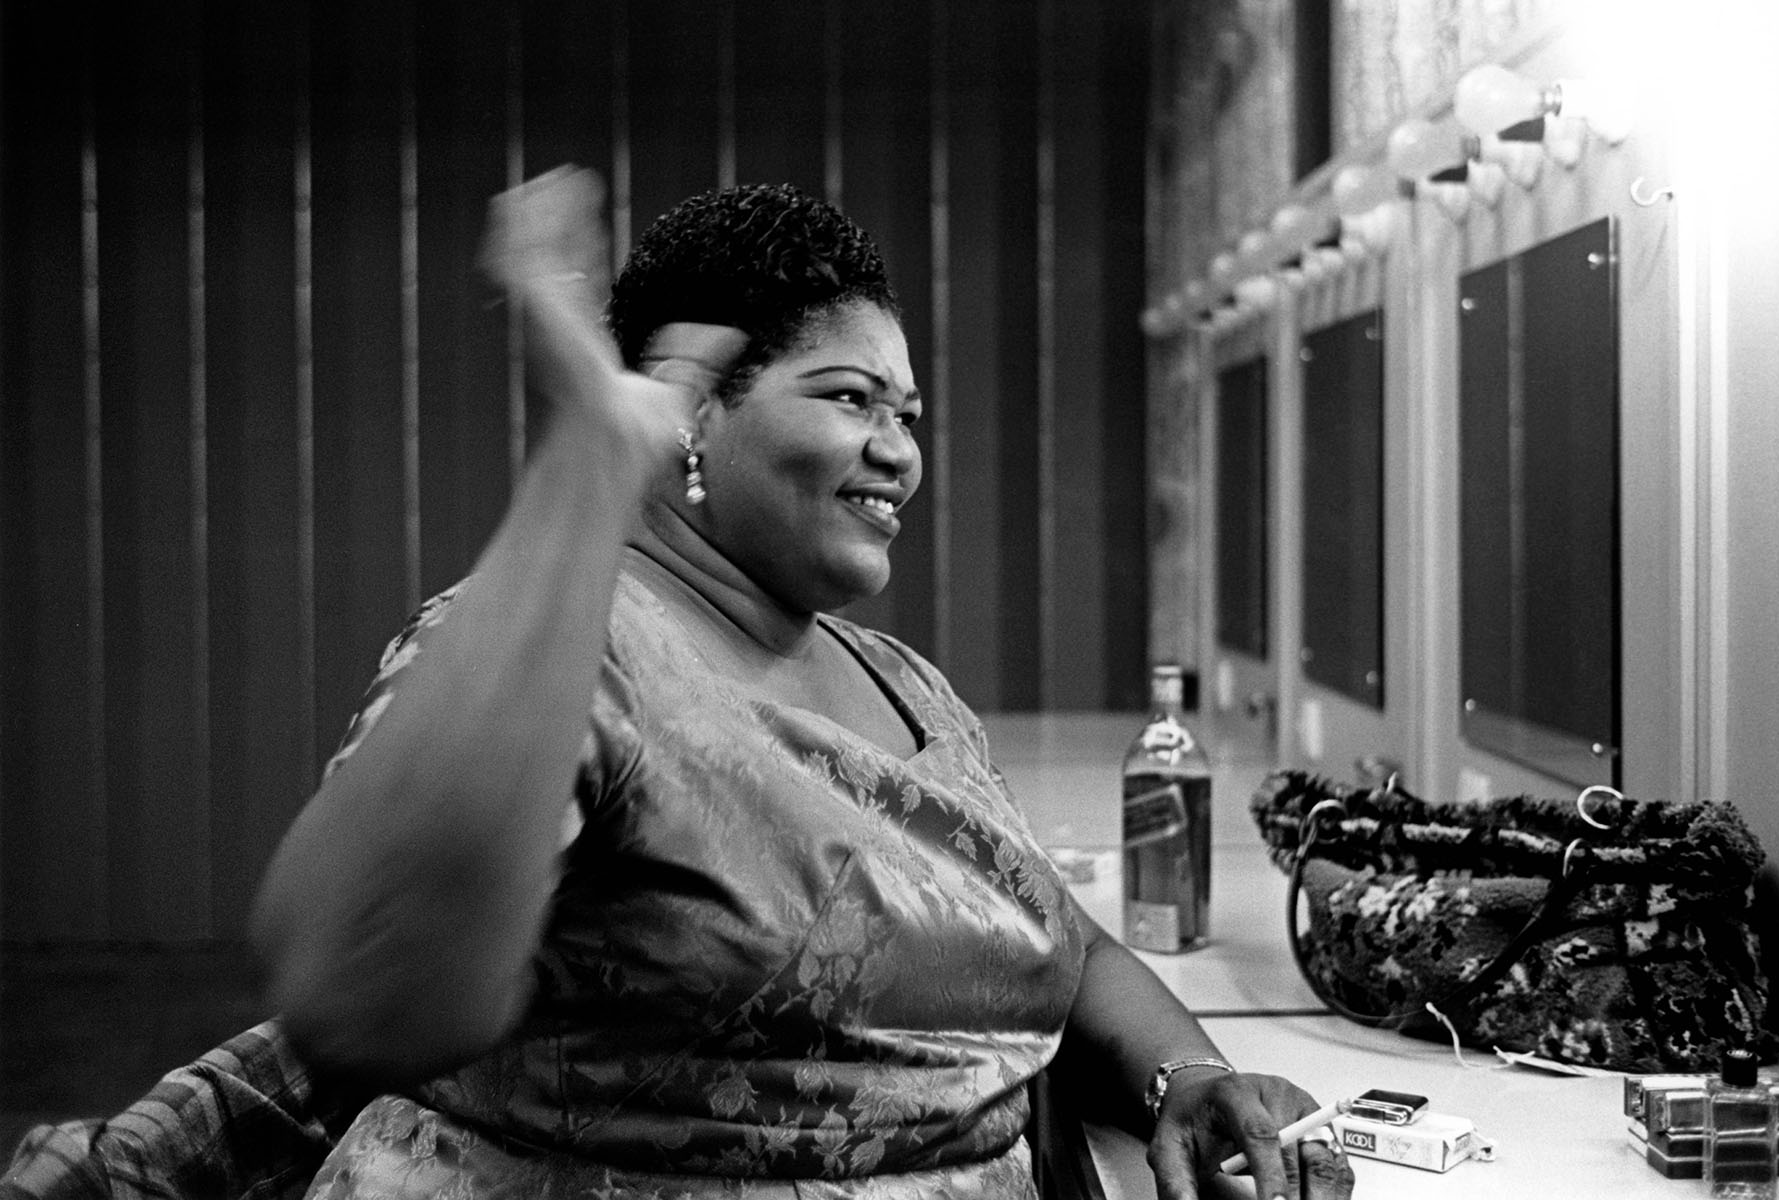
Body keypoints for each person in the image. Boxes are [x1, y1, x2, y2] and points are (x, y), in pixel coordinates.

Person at [5, 169, 1354, 1200]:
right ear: (695, 418)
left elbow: (1052, 936)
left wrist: (1190, 1077)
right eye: (847, 400)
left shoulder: (902, 682)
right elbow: (363, 985)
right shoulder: (557, 642)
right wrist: (587, 470)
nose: (898, 452)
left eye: (910, 412)